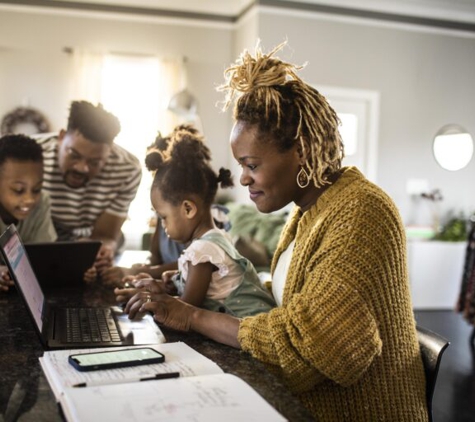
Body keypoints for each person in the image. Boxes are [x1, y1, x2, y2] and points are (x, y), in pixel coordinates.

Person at [115, 42, 428, 421]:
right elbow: (292, 302)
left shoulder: (361, 211)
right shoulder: (308, 213)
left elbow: (318, 348)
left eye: (251, 164)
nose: (243, 177)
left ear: (301, 150)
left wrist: (192, 317)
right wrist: (189, 289)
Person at [115, 125, 276, 318]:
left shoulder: (203, 251)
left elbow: (184, 311)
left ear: (188, 209)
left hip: (249, 334)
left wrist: (150, 298)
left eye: (163, 218)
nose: (163, 226)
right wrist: (167, 284)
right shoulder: (215, 239)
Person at [100, 129, 231, 287]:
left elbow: (188, 299)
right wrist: (143, 273)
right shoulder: (168, 214)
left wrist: (144, 276)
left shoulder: (208, 234)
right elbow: (155, 258)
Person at [34, 100, 142, 275]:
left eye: (95, 162)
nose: (82, 168)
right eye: (74, 155)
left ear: (110, 151)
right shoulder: (31, 156)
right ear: (61, 137)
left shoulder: (128, 168)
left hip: (89, 240)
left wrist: (103, 250)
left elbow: (106, 234)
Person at [0, 134, 57, 292]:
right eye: (18, 190)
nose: (30, 199)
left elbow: (44, 259)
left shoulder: (42, 202)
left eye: (36, 189)